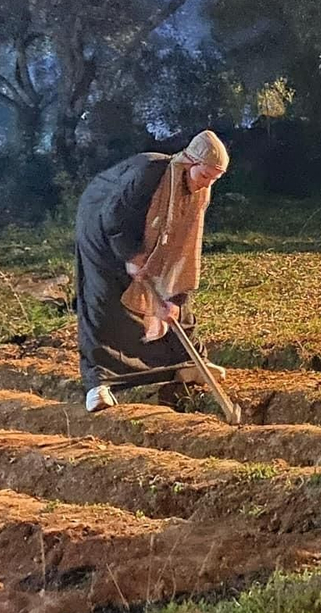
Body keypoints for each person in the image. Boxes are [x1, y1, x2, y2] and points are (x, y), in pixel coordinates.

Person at [75, 130, 230, 414]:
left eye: (213, 179)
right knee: (106, 297)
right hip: (101, 223)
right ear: (189, 163)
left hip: (142, 234)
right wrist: (133, 256)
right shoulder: (149, 175)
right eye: (204, 176)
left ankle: (187, 362)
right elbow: (115, 217)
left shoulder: (199, 191)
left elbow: (183, 251)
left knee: (177, 285)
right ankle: (98, 383)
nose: (207, 184)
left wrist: (170, 294)